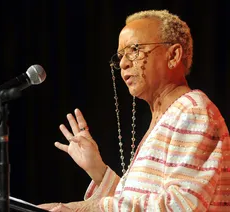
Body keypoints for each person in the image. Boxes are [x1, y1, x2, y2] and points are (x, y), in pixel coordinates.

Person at [38, 9, 230, 211]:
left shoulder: (192, 112)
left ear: (173, 55)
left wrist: (82, 209)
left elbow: (181, 205)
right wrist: (98, 170)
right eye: (120, 56)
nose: (123, 63)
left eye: (135, 50)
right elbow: (133, 201)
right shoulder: (166, 117)